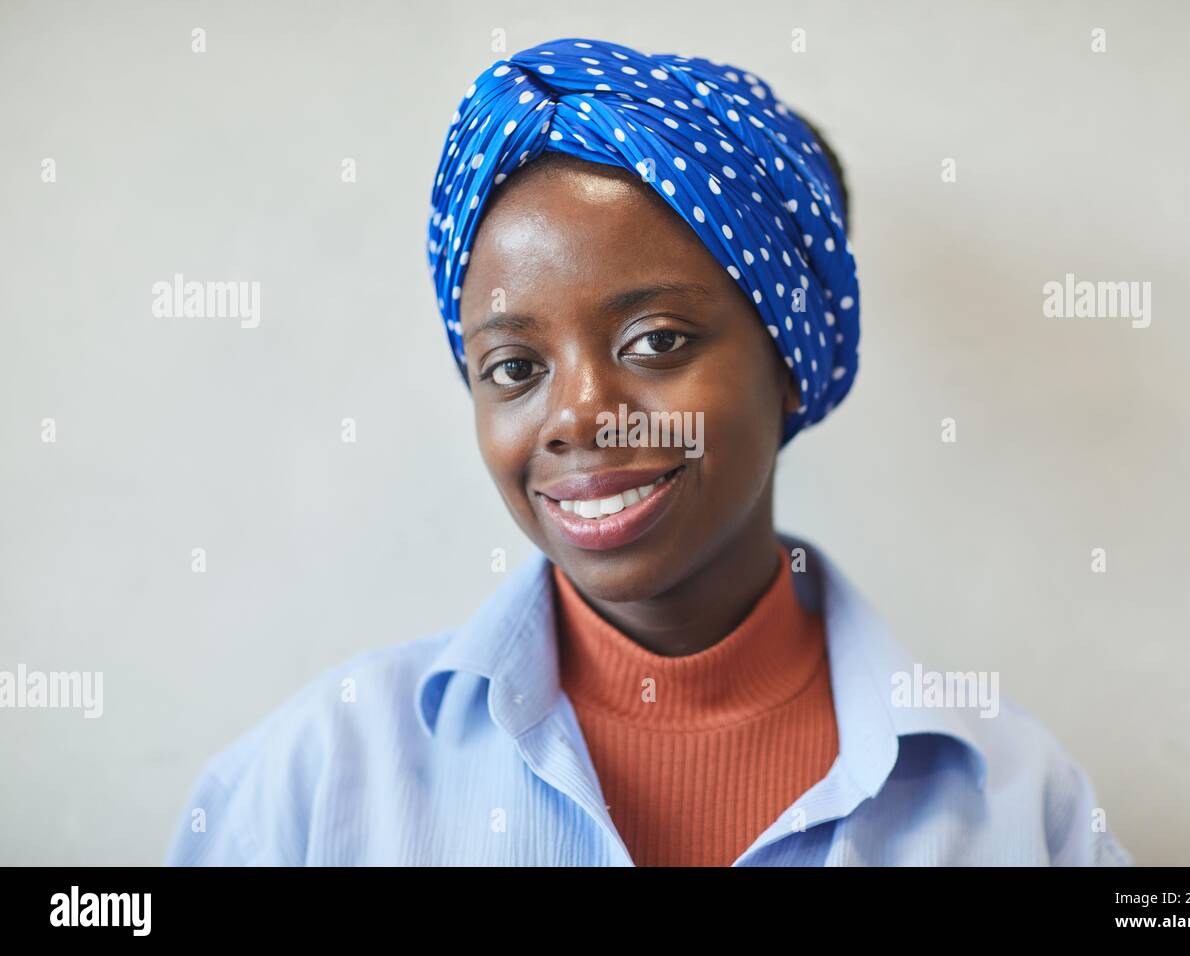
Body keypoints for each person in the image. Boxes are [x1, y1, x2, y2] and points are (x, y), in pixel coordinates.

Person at [166, 36, 1133, 866]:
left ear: (788, 363)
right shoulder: (315, 783)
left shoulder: (1018, 810)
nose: (580, 415)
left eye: (658, 342)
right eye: (512, 367)